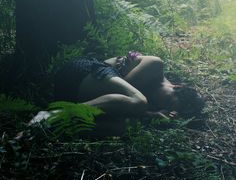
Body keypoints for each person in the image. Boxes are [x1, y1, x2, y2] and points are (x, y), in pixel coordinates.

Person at [52, 52, 204, 135]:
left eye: (168, 108)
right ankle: (56, 115)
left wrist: (149, 116)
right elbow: (123, 88)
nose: (162, 106)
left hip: (77, 96)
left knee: (129, 126)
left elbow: (121, 105)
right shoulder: (155, 65)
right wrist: (150, 113)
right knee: (138, 102)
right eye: (170, 102)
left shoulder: (150, 102)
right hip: (82, 74)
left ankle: (63, 126)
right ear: (176, 87)